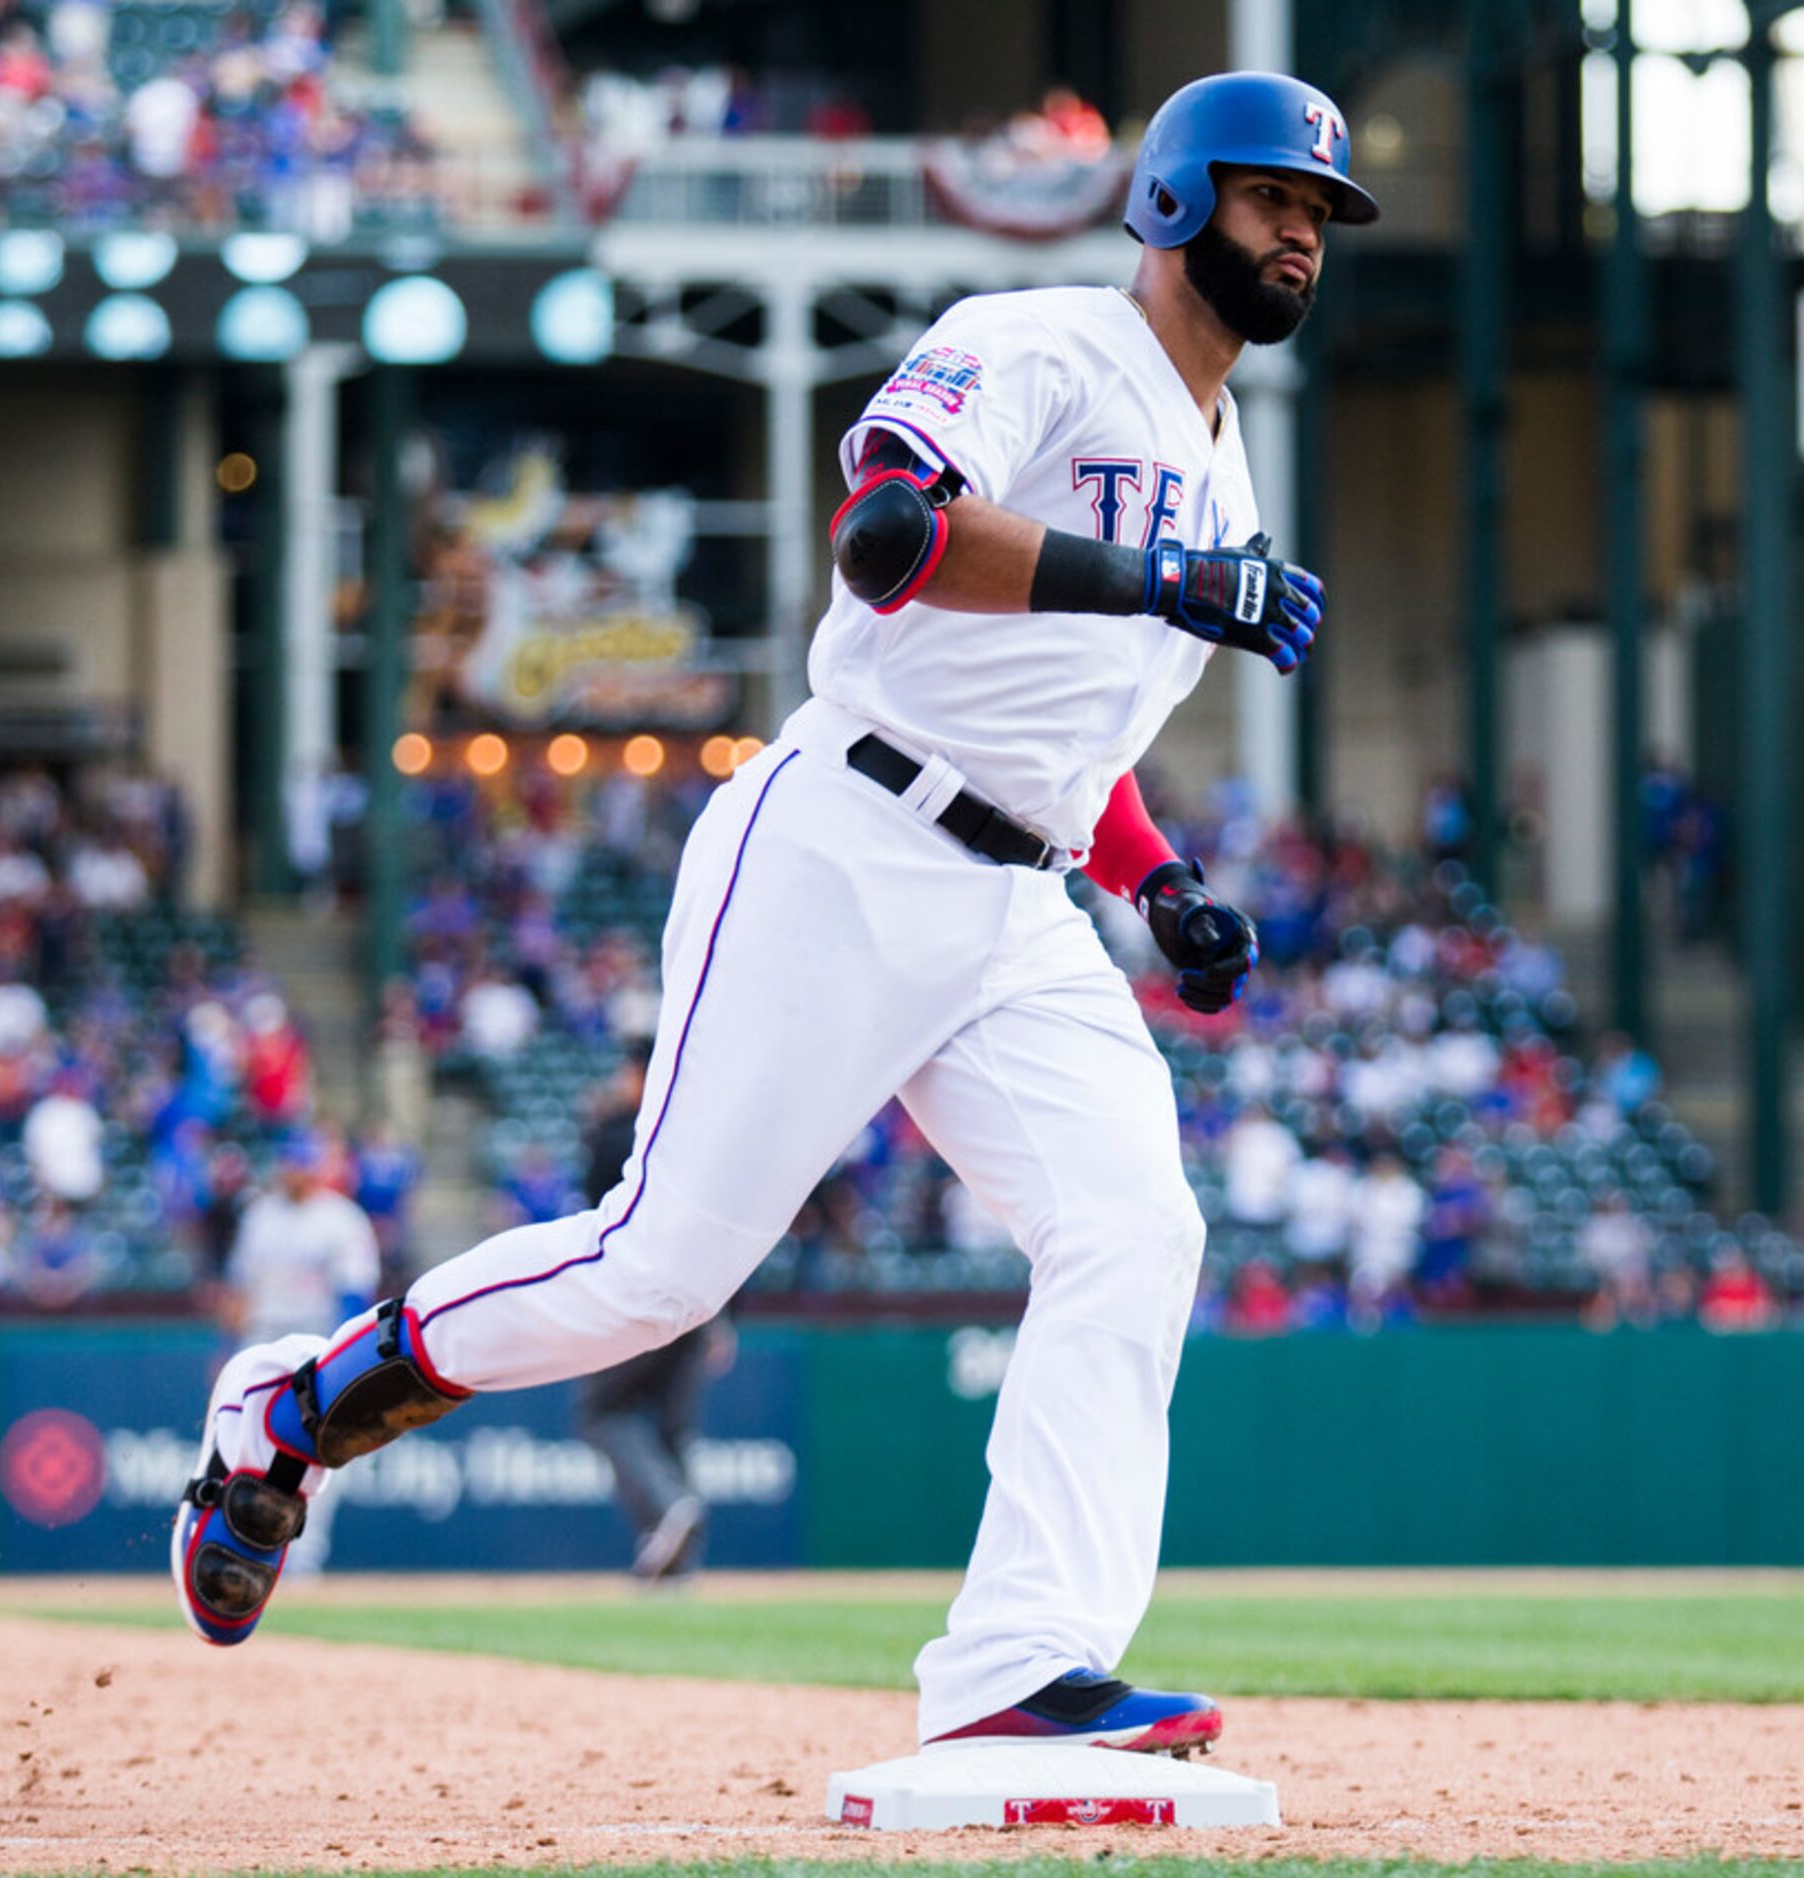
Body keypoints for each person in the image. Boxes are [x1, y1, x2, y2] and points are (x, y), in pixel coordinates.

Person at [172, 70, 1377, 1762]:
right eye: (1271, 199)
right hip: (844, 836)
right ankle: (286, 1412)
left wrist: (1158, 881)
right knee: (653, 1269)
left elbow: (1057, 733)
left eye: (1318, 213)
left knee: (1133, 1227)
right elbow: (890, 535)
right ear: (1176, 201)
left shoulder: (1221, 465)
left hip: (1020, 899)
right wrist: (1163, 579)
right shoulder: (1036, 340)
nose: (1300, 236)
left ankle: (1018, 1667)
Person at [571, 1045, 716, 1581]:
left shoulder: (617, 1133)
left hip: (635, 1295)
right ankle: (677, 1560)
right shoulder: (699, 1131)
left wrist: (602, 1119)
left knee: (600, 1413)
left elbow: (597, 1216)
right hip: (700, 1297)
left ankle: (666, 1511)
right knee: (673, 1430)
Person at [218, 1131, 380, 1574]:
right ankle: (234, 1548)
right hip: (262, 1337)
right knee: (240, 1445)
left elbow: (354, 1295)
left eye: (304, 1163)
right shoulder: (260, 1215)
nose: (296, 1171)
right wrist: (227, 1348)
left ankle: (302, 1558)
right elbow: (239, 1288)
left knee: (316, 1451)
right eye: (291, 1162)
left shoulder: (342, 1219)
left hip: (315, 1342)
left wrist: (343, 1359)